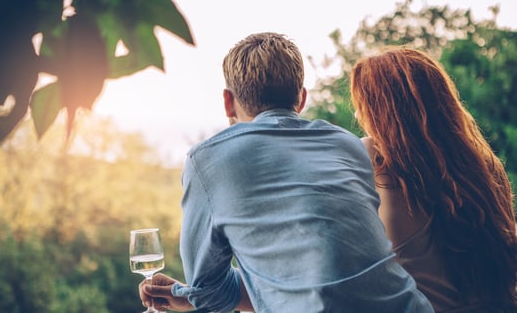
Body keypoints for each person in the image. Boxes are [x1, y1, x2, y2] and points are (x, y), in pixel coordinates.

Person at [139, 32, 433, 312]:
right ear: (302, 99)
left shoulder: (205, 160)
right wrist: (187, 294)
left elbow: (208, 292)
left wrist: (188, 293)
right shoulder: (348, 145)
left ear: (228, 102)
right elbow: (335, 278)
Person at [350, 47, 517, 312]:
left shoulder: (374, 160)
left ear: (384, 111)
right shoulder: (484, 167)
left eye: (364, 106)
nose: (358, 117)